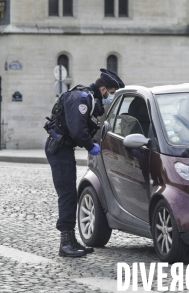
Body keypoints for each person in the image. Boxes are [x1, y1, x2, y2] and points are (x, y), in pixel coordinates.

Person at [45, 69, 125, 257]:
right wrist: (91, 146)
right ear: (103, 89)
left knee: (70, 194)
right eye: (111, 93)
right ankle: (65, 243)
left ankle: (71, 239)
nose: (110, 98)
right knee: (67, 195)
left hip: (63, 149)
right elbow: (77, 130)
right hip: (59, 150)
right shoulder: (82, 99)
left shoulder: (88, 98)